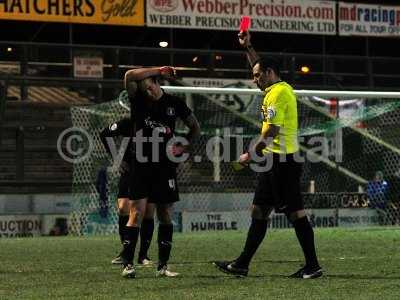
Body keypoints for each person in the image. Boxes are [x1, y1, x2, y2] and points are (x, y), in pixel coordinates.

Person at [213, 30, 322, 279]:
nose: (254, 80)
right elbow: (259, 64)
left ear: (269, 74)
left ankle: (313, 266)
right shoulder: (274, 87)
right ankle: (241, 264)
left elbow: (271, 132)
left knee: (296, 213)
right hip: (273, 162)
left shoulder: (278, 93)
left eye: (257, 76)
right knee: (258, 211)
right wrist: (248, 46)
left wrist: (248, 156)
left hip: (282, 162)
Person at [120, 66, 201, 278]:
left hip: (165, 166)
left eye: (148, 87)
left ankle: (163, 266)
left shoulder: (174, 103)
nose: (146, 91)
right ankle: (128, 264)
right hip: (141, 163)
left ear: (157, 83)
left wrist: (184, 146)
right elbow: (129, 76)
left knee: (165, 214)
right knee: (136, 212)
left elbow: (195, 127)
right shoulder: (138, 99)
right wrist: (157, 68)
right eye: (143, 88)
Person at [100, 117, 155, 266]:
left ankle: (143, 255)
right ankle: (125, 252)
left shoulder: (156, 121)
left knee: (148, 211)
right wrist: (117, 159)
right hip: (130, 168)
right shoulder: (128, 122)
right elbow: (104, 134)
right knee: (123, 207)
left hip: (150, 169)